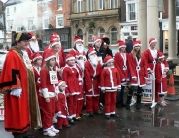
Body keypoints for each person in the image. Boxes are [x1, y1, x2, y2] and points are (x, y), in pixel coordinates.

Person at [0, 32, 41, 138]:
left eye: (28, 41)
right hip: (18, 90)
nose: (27, 43)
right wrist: (16, 87)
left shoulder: (24, 53)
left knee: (24, 111)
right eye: (25, 41)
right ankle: (18, 132)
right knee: (18, 111)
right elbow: (11, 71)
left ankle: (24, 131)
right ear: (18, 42)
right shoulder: (12, 54)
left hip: (26, 88)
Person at [40, 50, 60, 137]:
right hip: (47, 94)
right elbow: (43, 84)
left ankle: (50, 126)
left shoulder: (53, 70)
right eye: (52, 60)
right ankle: (46, 129)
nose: (54, 61)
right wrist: (46, 96)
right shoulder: (44, 70)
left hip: (52, 93)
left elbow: (55, 82)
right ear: (48, 61)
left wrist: (56, 93)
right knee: (47, 112)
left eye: (54, 60)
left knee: (52, 111)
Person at [143, 38, 169, 102]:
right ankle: (150, 99)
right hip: (151, 69)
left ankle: (157, 98)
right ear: (150, 44)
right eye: (153, 43)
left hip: (157, 68)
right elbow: (145, 61)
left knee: (158, 84)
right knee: (150, 84)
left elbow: (163, 59)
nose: (154, 44)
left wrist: (166, 68)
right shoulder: (146, 52)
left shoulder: (157, 51)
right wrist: (148, 69)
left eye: (155, 43)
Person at [126, 40, 148, 110]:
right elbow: (130, 66)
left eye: (138, 46)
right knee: (132, 89)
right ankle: (128, 102)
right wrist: (133, 75)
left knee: (140, 89)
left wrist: (146, 73)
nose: (137, 47)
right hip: (134, 73)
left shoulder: (142, 55)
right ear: (134, 47)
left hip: (140, 74)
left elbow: (145, 64)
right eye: (136, 46)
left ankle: (138, 103)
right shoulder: (130, 55)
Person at [62, 54, 81, 124]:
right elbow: (65, 79)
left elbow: (78, 78)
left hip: (75, 87)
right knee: (70, 103)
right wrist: (66, 89)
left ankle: (74, 115)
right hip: (70, 88)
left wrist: (79, 87)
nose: (73, 61)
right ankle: (69, 116)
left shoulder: (75, 68)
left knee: (75, 102)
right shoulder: (65, 69)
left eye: (73, 60)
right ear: (67, 61)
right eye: (71, 60)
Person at [84, 46, 103, 117]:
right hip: (90, 80)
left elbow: (101, 73)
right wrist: (88, 85)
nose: (94, 55)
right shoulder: (87, 63)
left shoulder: (98, 63)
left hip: (96, 80)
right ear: (89, 56)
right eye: (92, 54)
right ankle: (89, 110)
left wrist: (101, 83)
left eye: (95, 54)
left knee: (96, 96)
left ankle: (96, 109)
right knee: (89, 97)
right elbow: (87, 75)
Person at [114, 40, 129, 108]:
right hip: (120, 73)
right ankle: (118, 102)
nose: (123, 49)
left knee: (123, 89)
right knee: (119, 89)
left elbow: (128, 64)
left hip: (125, 72)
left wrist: (126, 75)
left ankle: (122, 101)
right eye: (122, 47)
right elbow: (117, 65)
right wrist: (121, 75)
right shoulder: (117, 54)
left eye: (124, 47)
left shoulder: (126, 54)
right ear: (120, 48)